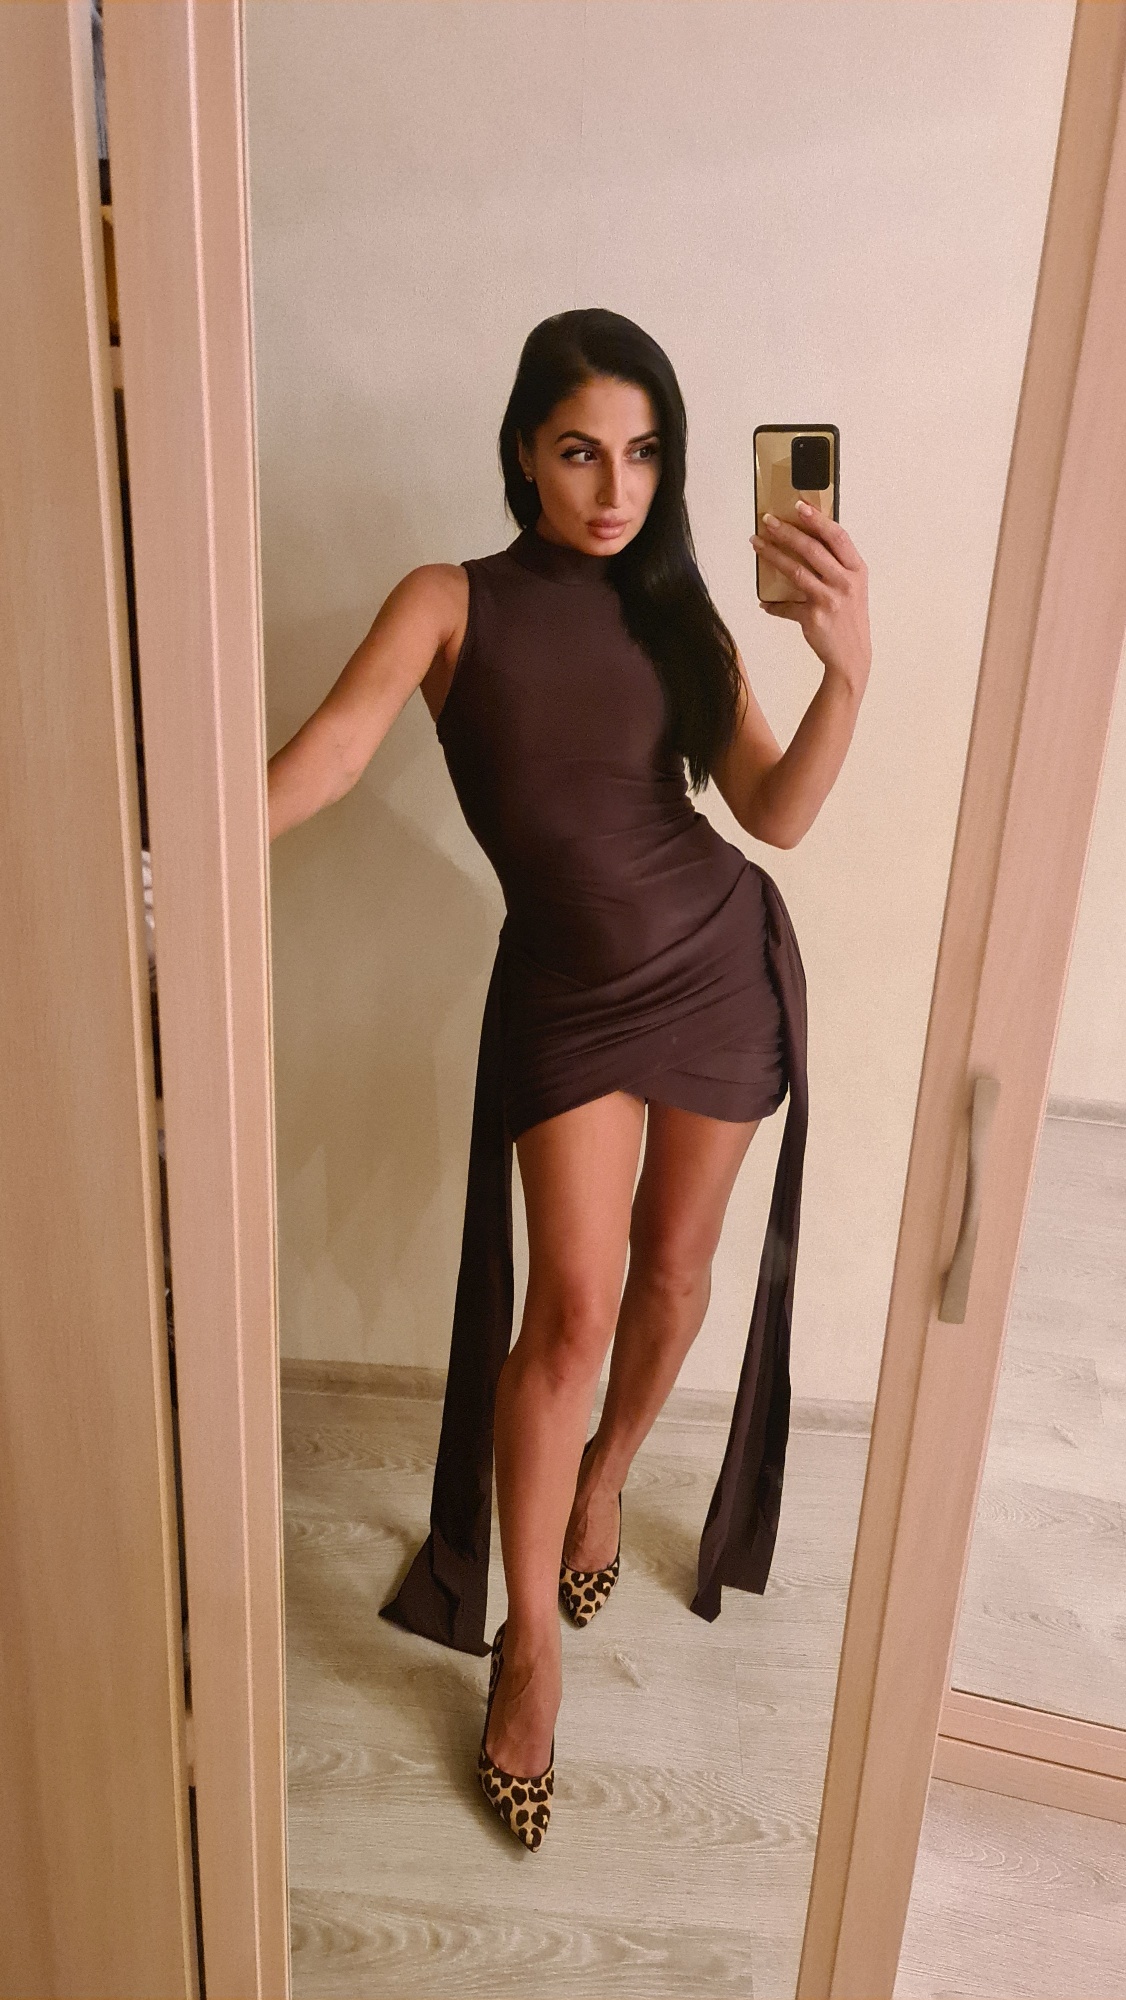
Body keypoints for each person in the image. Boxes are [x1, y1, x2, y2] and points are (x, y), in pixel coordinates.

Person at [268, 307, 871, 1852]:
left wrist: (845, 675)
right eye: (581, 452)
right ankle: (528, 1644)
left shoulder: (679, 610)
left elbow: (771, 813)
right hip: (565, 993)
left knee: (672, 1278)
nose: (615, 488)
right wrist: (171, 849)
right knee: (571, 1314)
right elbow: (328, 757)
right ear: (524, 454)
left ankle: (608, 1478)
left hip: (716, 962)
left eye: (644, 453)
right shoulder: (446, 601)